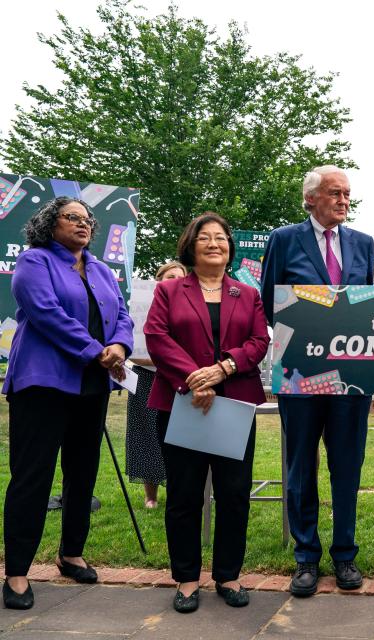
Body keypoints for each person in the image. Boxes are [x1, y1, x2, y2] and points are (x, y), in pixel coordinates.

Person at [2, 197, 133, 610]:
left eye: (87, 218)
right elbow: (45, 312)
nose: (83, 224)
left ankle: (70, 553)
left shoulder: (101, 270)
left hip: (91, 387)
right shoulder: (34, 262)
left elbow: (123, 315)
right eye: (72, 217)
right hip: (42, 385)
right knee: (32, 476)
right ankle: (17, 572)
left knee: (82, 472)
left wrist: (119, 345)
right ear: (49, 223)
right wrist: (96, 350)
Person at [144, 213, 269, 613]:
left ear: (229, 248)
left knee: (234, 494)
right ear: (190, 245)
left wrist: (224, 368)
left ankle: (228, 576)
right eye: (205, 238)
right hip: (183, 404)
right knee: (184, 495)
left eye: (221, 238)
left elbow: (259, 340)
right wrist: (194, 380)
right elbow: (156, 337)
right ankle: (185, 578)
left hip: (234, 405)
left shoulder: (247, 294)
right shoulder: (169, 291)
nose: (214, 244)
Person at [260, 166, 374, 595]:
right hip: (299, 370)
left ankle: (345, 554)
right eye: (334, 193)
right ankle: (306, 557)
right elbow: (269, 299)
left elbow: (366, 301)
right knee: (300, 467)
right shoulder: (284, 239)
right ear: (310, 199)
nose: (343, 200)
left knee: (347, 467)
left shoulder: (363, 243)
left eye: (347, 194)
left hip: (351, 375)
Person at [126, 260, 187, 508]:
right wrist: (166, 357)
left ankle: (182, 489)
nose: (174, 280)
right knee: (147, 436)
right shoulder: (142, 306)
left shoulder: (190, 309)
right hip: (148, 379)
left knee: (182, 439)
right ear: (158, 280)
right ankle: (150, 496)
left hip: (180, 379)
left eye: (180, 277)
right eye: (169, 276)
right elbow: (132, 351)